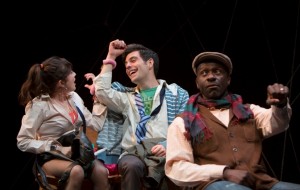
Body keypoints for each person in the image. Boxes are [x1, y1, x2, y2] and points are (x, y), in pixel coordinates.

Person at [165, 51, 300, 190]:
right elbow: (176, 168)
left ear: (228, 79)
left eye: (217, 72)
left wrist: (280, 104)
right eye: (204, 73)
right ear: (197, 82)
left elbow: (278, 123)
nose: (211, 77)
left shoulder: (248, 111)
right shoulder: (183, 121)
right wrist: (223, 172)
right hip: (213, 185)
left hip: (260, 183)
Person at [85, 39, 189, 190]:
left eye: (133, 60)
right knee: (130, 165)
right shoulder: (127, 97)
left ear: (150, 63)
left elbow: (185, 125)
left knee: (173, 167)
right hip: (134, 152)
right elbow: (102, 92)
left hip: (166, 149)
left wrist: (167, 145)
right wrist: (111, 56)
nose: (127, 66)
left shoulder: (176, 93)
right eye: (126, 63)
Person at [17, 56, 110, 190]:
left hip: (78, 154)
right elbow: (23, 141)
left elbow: (96, 124)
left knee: (101, 171)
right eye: (71, 72)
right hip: (51, 157)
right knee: (76, 171)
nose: (75, 74)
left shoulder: (74, 98)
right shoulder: (39, 105)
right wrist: (58, 148)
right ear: (61, 82)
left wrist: (98, 98)